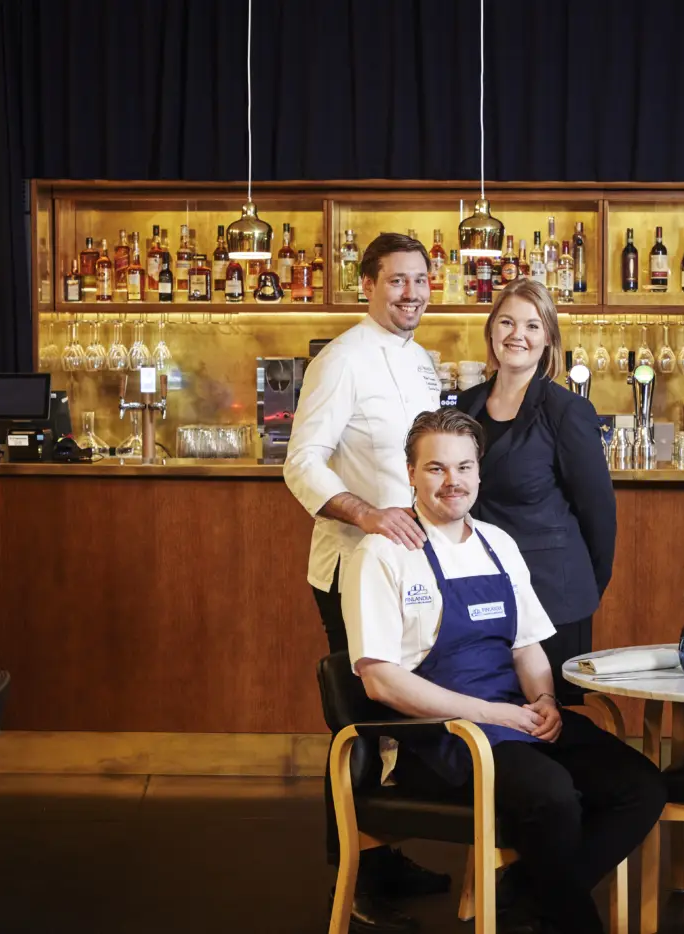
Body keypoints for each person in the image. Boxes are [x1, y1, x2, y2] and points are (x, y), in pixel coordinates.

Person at [344, 407, 665, 934]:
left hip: (516, 719)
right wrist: (493, 714)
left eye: (464, 467)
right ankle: (568, 920)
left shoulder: (499, 544)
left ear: (479, 472)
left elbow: (527, 647)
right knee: (552, 795)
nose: (453, 481)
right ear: (411, 473)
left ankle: (528, 897)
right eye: (436, 468)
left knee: (641, 787)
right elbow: (380, 680)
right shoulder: (382, 554)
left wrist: (544, 701)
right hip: (440, 738)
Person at [284, 232, 446, 933]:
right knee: (359, 724)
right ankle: (353, 876)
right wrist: (368, 515)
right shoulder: (341, 359)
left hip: (410, 570)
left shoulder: (423, 362)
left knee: (404, 721)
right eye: (397, 281)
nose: (411, 293)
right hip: (352, 567)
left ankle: (386, 856)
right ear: (368, 286)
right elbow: (301, 462)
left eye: (420, 280)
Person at [455, 278, 616, 704]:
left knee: (553, 719)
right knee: (492, 709)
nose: (517, 335)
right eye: (507, 322)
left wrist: (584, 587)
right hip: (482, 589)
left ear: (548, 339)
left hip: (552, 596)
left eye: (531, 325)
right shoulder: (465, 406)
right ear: (491, 330)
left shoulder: (567, 410)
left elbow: (599, 514)